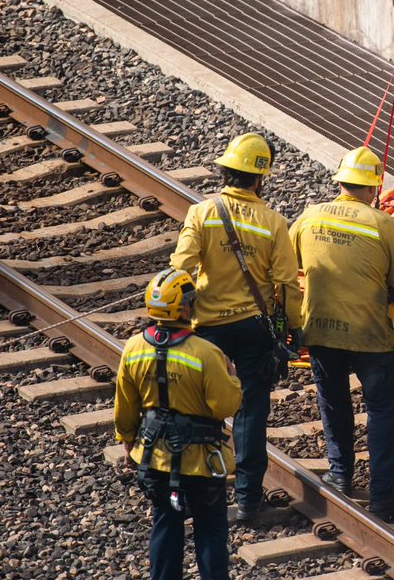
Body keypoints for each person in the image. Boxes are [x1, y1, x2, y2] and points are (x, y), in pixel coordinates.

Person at [170, 132, 302, 523]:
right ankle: (247, 501)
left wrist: (178, 317)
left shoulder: (201, 213)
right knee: (250, 413)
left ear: (226, 172)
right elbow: (286, 283)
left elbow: (181, 269)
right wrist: (292, 327)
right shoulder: (274, 222)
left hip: (207, 329)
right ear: (261, 178)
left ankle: (200, 498)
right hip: (253, 330)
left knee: (198, 412)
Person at [289, 146, 394, 520]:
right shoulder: (382, 223)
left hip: (321, 330)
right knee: (381, 411)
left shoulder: (310, 217)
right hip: (370, 335)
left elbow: (290, 262)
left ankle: (341, 476)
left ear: (341, 181)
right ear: (374, 187)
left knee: (333, 401)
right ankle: (382, 497)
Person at [114, 268, 243, 580]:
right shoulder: (206, 353)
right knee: (210, 530)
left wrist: (127, 438)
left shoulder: (133, 347)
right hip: (201, 463)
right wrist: (233, 377)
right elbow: (224, 406)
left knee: (165, 524)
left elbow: (125, 405)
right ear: (186, 308)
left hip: (154, 457)